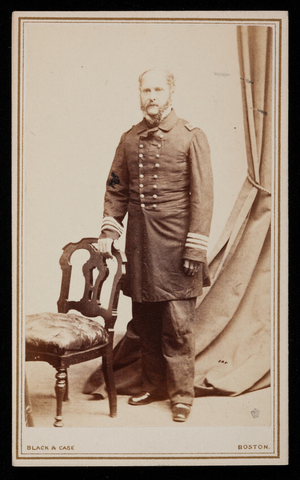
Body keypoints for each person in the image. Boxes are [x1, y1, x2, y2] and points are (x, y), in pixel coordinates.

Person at [98, 67, 214, 422]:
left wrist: (195, 248)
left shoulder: (191, 136)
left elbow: (204, 196)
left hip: (178, 247)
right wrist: (109, 232)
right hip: (140, 246)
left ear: (171, 92)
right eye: (146, 90)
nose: (151, 97)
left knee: (177, 326)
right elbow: (116, 186)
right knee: (145, 321)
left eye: (158, 90)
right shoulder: (129, 138)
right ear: (140, 94)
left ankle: (181, 396)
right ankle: (153, 385)